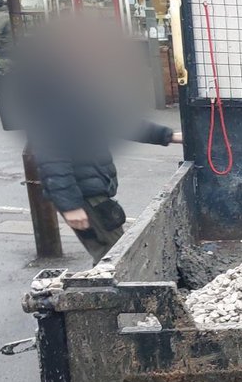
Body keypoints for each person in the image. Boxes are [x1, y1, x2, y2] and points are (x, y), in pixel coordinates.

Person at [17, 15, 182, 263]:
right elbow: (51, 154)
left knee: (116, 255)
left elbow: (116, 122)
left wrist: (168, 136)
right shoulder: (55, 93)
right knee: (117, 259)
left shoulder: (76, 86)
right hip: (84, 194)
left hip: (93, 191)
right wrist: (70, 205)